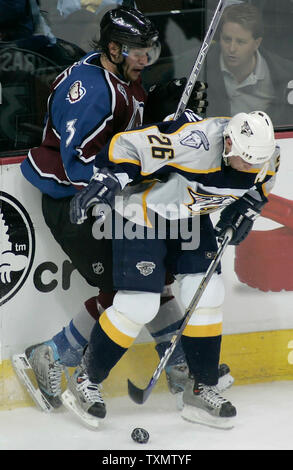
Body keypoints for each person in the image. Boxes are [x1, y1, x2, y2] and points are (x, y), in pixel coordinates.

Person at [14, 6, 219, 412]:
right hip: (76, 202)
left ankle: (178, 362)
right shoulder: (92, 92)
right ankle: (52, 356)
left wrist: (163, 112)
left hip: (107, 198)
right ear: (113, 48)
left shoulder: (120, 75)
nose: (147, 58)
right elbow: (82, 170)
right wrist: (146, 162)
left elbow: (126, 136)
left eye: (150, 48)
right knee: (129, 289)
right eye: (138, 50)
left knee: (152, 277)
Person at [63, 108, 279, 429]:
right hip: (143, 210)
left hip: (189, 213)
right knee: (139, 303)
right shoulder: (198, 143)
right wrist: (109, 176)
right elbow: (129, 145)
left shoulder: (264, 155)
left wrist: (248, 206)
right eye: (245, 159)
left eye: (256, 161)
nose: (251, 167)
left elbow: (263, 180)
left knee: (207, 291)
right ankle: (86, 379)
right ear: (230, 143)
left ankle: (201, 387)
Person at [204, 3, 293, 126]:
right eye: (227, 39)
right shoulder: (197, 68)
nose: (232, 48)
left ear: (257, 43)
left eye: (241, 42)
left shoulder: (286, 75)